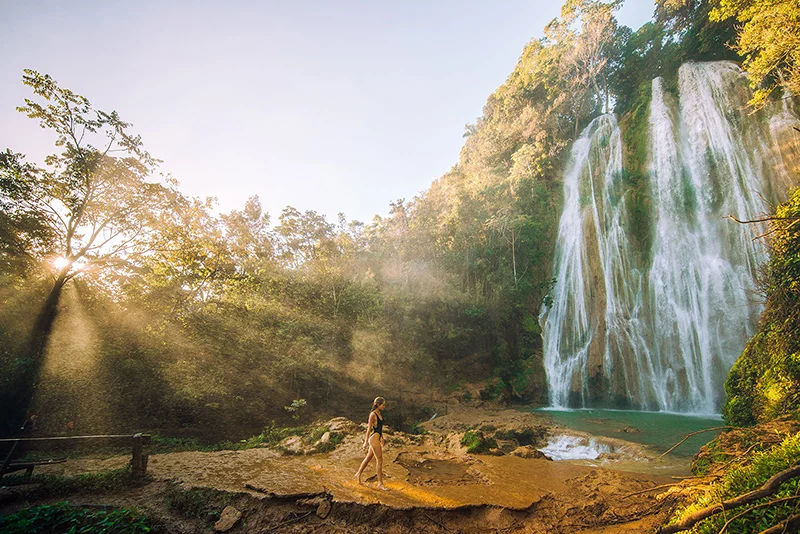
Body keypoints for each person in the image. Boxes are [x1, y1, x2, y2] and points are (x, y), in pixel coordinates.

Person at [354, 396, 388, 489]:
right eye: (383, 405)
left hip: (377, 438)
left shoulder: (379, 413)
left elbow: (379, 428)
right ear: (378, 405)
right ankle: (380, 483)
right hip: (373, 439)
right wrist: (365, 442)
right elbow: (369, 429)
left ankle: (358, 473)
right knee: (380, 460)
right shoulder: (373, 414)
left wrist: (382, 438)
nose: (384, 406)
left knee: (368, 458)